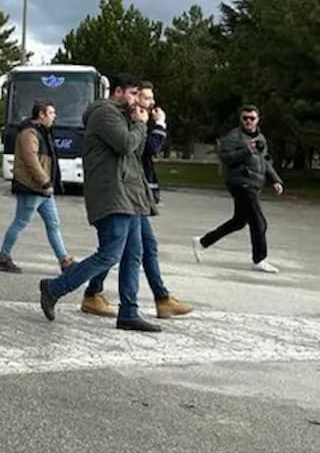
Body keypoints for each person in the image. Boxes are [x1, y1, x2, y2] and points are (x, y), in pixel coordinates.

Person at [37, 75, 161, 332]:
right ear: (117, 92)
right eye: (133, 93)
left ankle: (128, 312)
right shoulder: (105, 113)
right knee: (110, 253)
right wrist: (140, 124)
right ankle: (54, 288)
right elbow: (126, 144)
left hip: (130, 195)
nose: (137, 100)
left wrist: (143, 125)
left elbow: (139, 153)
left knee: (133, 254)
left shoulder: (124, 116)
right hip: (112, 194)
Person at [81, 83, 192, 319]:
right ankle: (84, 292)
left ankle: (156, 299)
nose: (149, 103)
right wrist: (158, 125)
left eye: (150, 99)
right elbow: (144, 149)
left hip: (134, 193)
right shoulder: (119, 118)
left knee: (138, 248)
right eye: (144, 97)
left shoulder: (130, 120)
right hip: (124, 194)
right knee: (118, 250)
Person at [193, 105, 285, 272]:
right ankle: (259, 259)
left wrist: (275, 180)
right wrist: (246, 151)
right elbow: (226, 158)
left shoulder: (260, 138)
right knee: (259, 222)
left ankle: (202, 242)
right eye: (245, 118)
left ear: (258, 120)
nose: (248, 121)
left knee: (239, 221)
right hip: (241, 183)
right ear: (241, 119)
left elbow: (264, 162)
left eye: (252, 118)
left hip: (254, 183)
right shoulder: (233, 137)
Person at [0, 100, 73, 274]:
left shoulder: (43, 132)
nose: (54, 116)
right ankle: (3, 257)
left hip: (43, 189)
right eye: (51, 113)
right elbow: (31, 161)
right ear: (41, 114)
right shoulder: (29, 133)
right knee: (20, 222)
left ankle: (65, 261)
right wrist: (45, 181)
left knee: (53, 224)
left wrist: (48, 183)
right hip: (32, 187)